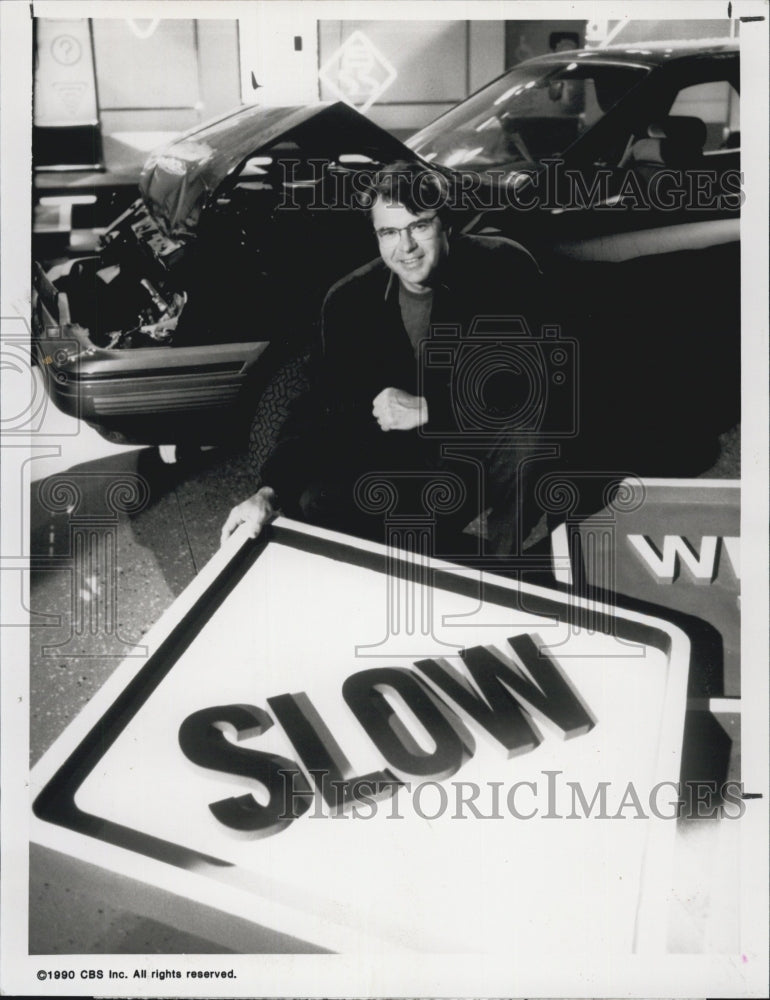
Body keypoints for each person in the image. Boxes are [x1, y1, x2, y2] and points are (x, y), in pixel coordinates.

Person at [221, 161, 548, 560]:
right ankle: (439, 559)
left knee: (528, 438)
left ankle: (505, 569)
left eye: (419, 226)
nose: (405, 247)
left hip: (480, 451)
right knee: (315, 498)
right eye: (389, 232)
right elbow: (319, 407)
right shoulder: (350, 299)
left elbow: (531, 383)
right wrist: (268, 493)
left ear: (446, 224)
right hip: (411, 464)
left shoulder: (502, 267)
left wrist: (432, 408)